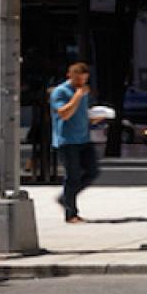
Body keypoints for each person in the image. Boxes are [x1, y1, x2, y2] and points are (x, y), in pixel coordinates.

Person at [51, 62, 99, 223]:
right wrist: (78, 95)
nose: (81, 84)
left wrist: (93, 118)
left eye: (84, 80)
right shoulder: (60, 92)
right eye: (78, 80)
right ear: (69, 76)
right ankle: (71, 213)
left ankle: (65, 198)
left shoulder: (84, 92)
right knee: (72, 177)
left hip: (83, 138)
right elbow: (64, 114)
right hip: (67, 140)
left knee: (92, 172)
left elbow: (80, 114)